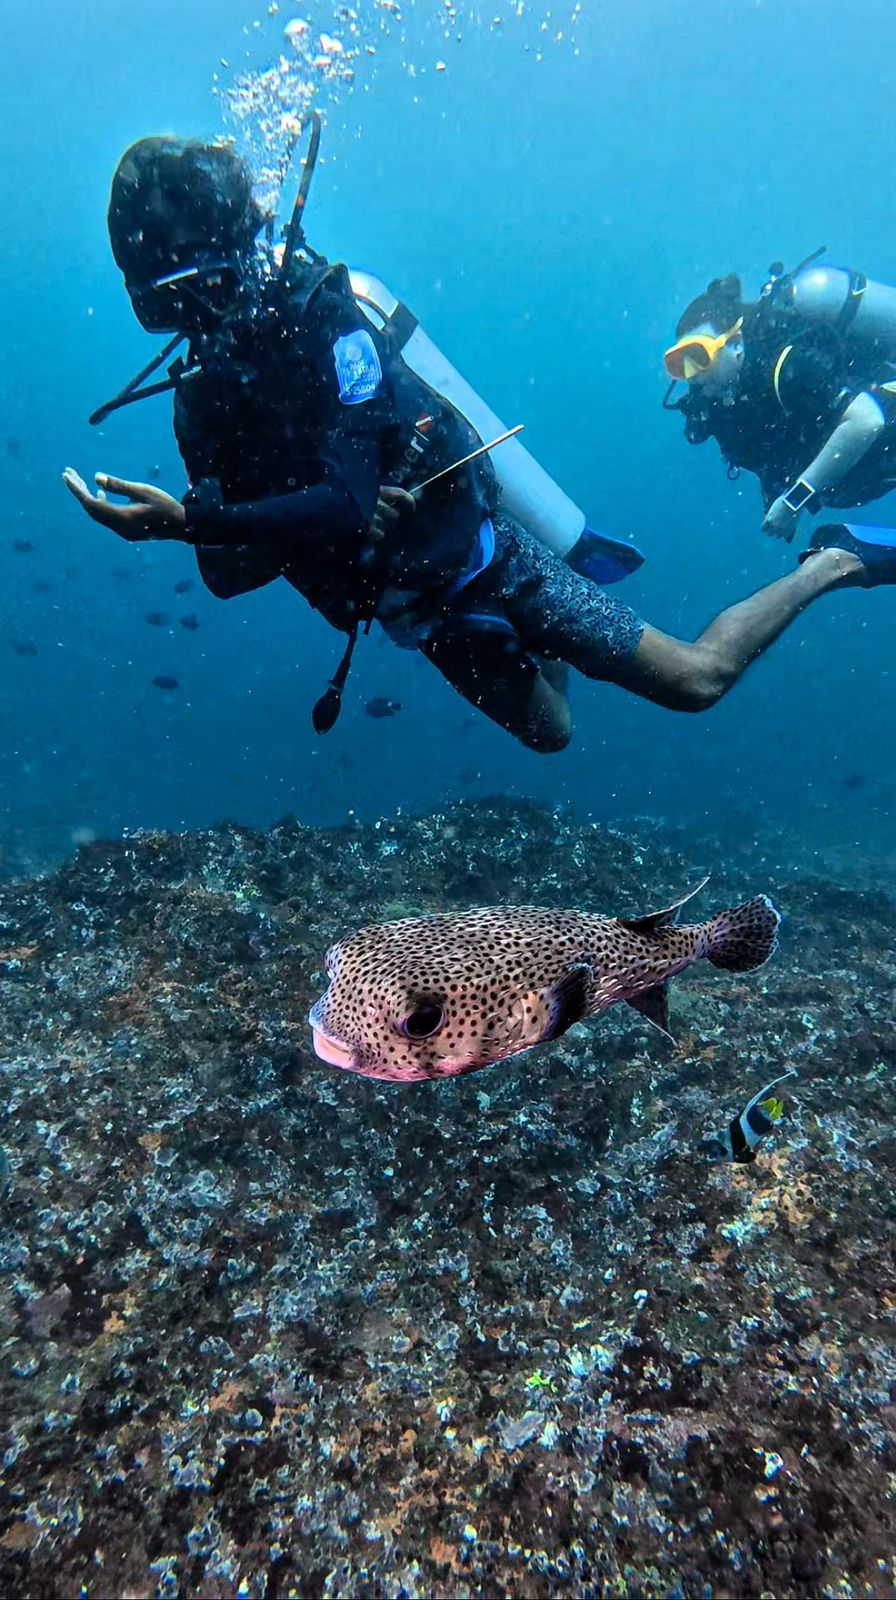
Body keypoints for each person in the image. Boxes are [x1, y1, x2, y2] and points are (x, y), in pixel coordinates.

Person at [65, 142, 896, 752]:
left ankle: (831, 564)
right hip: (411, 607)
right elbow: (225, 575)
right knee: (552, 732)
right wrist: (243, 524)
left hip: (484, 556)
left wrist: (198, 521)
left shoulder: (330, 318)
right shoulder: (203, 403)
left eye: (195, 292)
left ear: (233, 258)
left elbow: (340, 500)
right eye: (161, 310)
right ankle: (535, 636)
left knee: (694, 680)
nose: (192, 322)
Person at [664, 257, 896, 541]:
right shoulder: (726, 406)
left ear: (735, 343)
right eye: (680, 365)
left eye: (699, 357)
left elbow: (867, 421)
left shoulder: (787, 367)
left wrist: (794, 501)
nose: (692, 376)